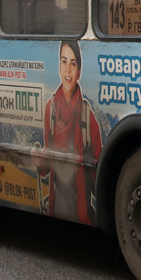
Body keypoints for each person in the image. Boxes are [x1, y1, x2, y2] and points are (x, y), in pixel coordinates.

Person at [40, 40, 102, 224]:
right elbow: (47, 164)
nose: (68, 69)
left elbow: (99, 175)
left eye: (73, 64)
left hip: (81, 213)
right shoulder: (50, 110)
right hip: (56, 207)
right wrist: (37, 158)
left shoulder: (88, 118)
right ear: (59, 67)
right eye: (64, 61)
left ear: (79, 72)